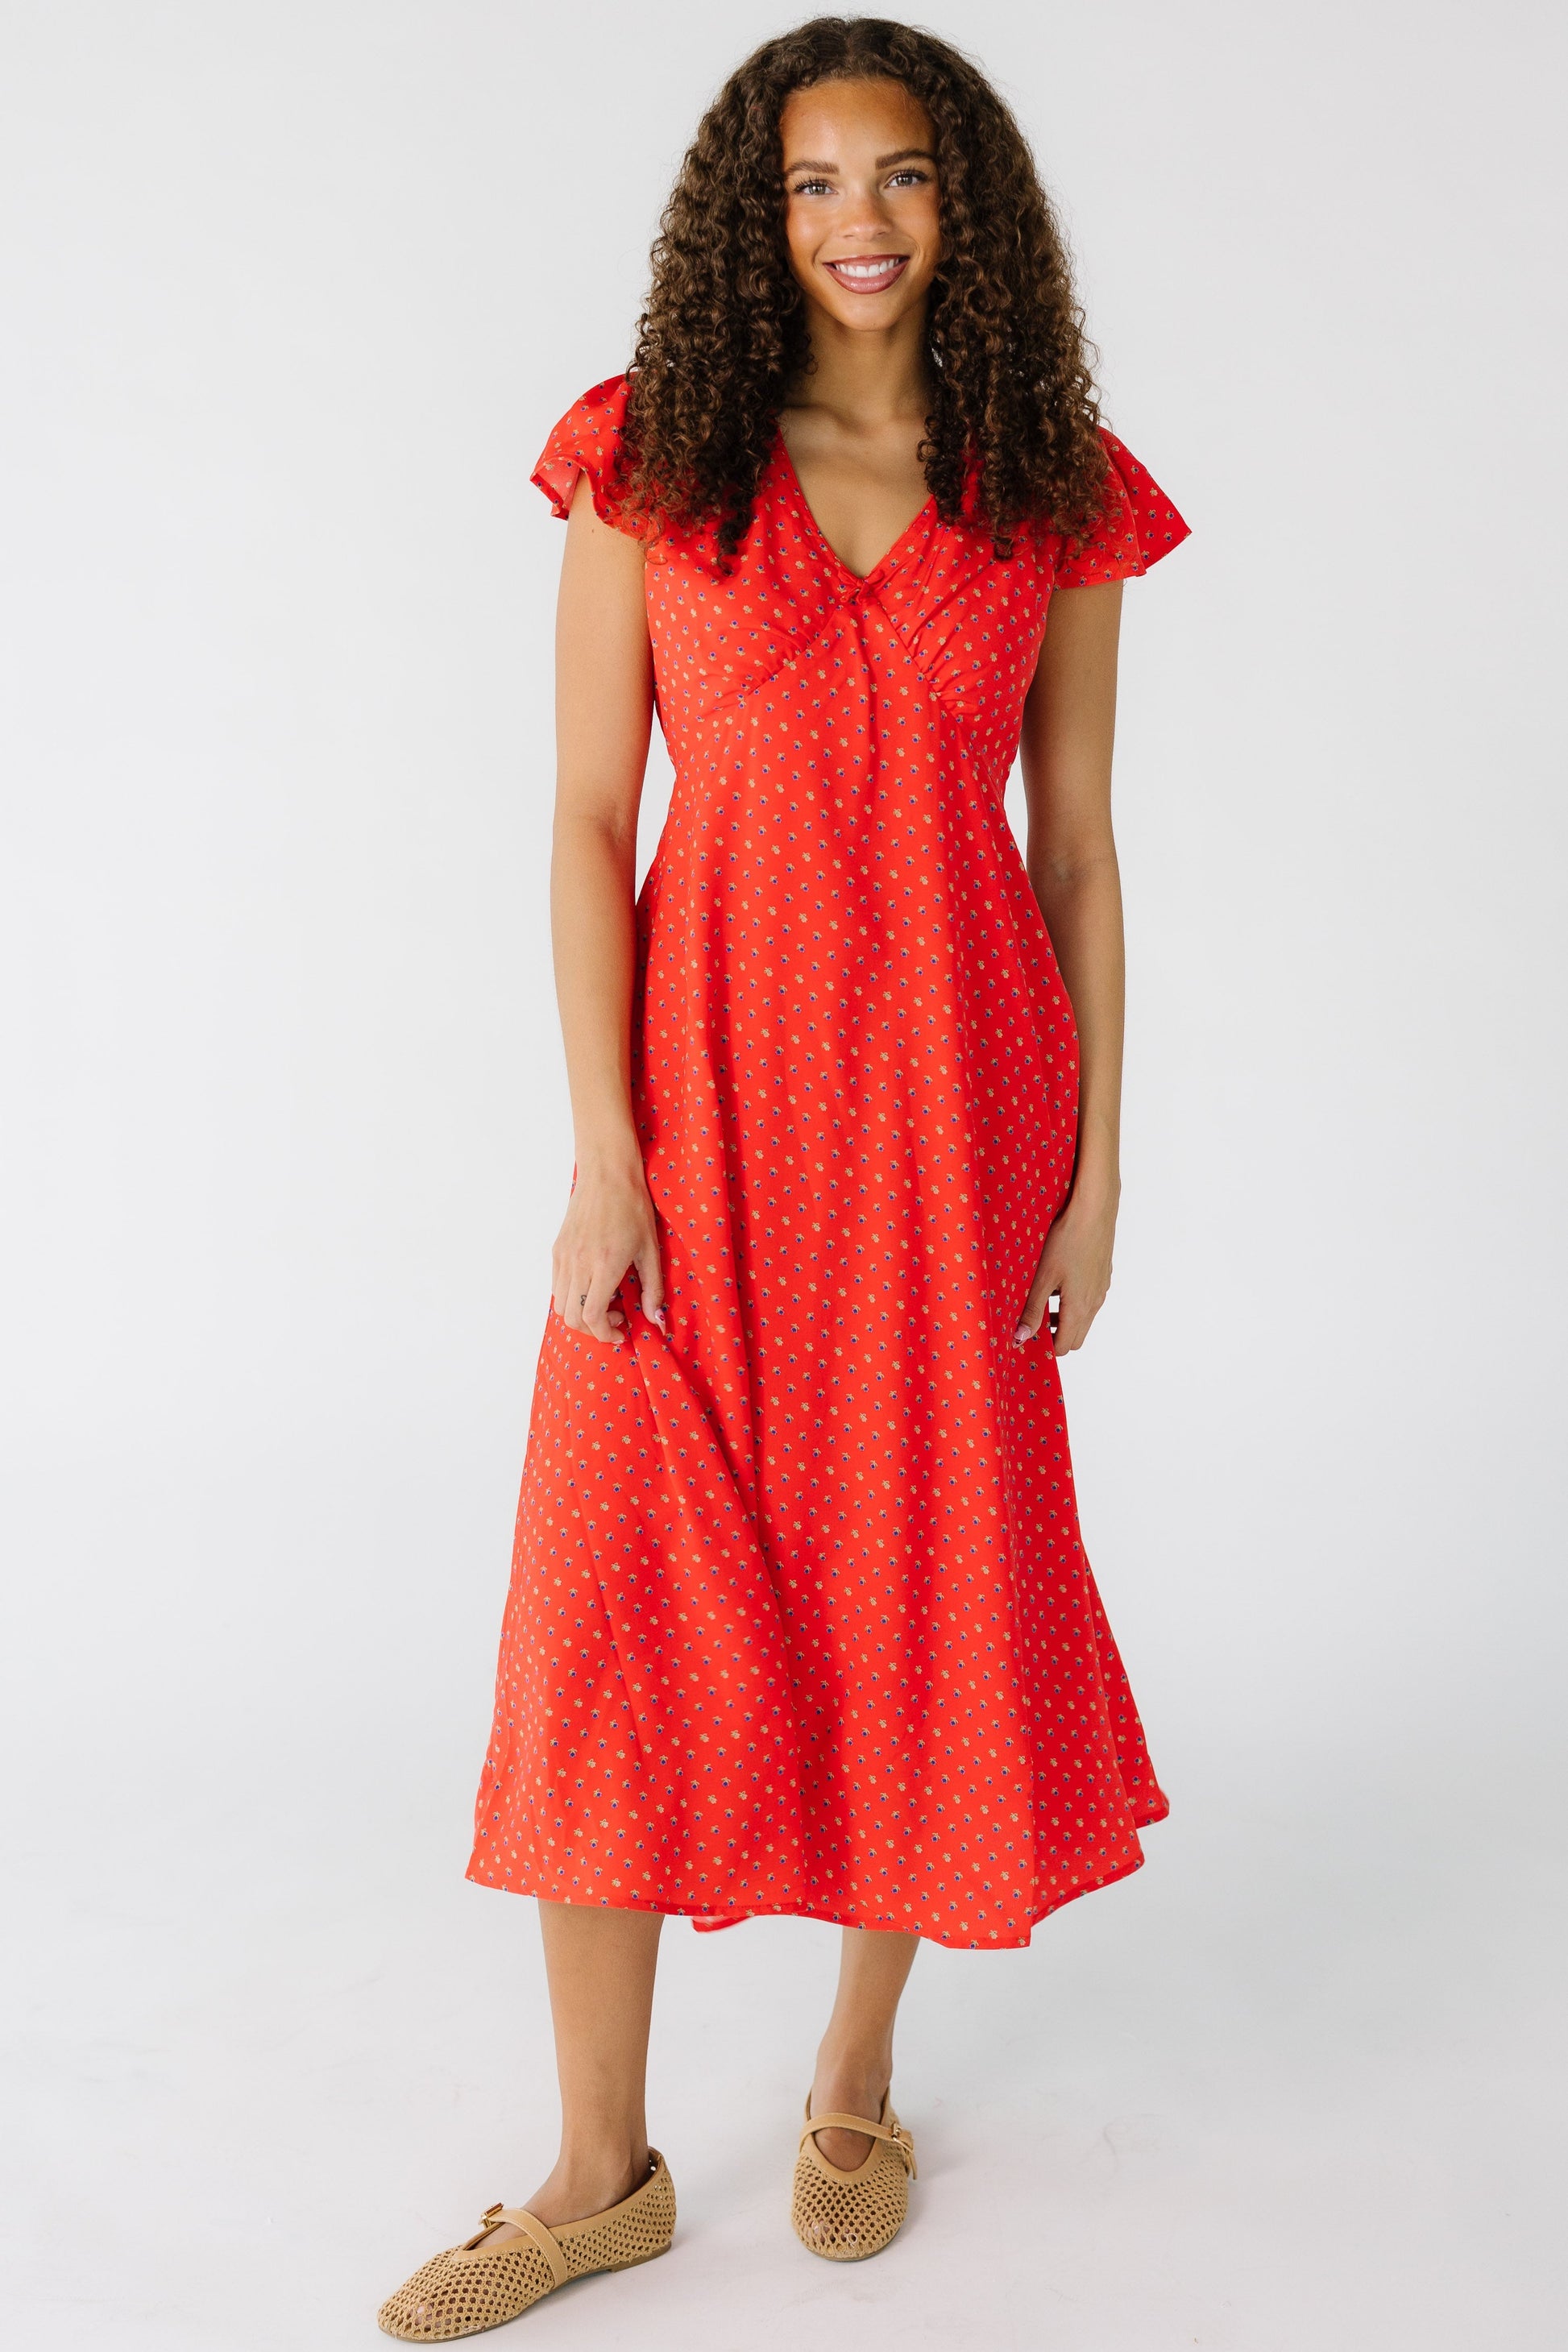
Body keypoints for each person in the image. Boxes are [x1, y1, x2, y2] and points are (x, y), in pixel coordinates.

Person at [379, 15, 1188, 2339]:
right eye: (816, 181)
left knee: (922, 1585)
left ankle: (853, 2073)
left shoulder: (1045, 485)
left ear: (969, 211)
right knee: (609, 1610)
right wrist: (602, 1150)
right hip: (702, 1128)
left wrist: (1097, 1171)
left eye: (905, 177)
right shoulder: (652, 460)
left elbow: (1082, 851)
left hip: (956, 1126)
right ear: (754, 210)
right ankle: (598, 2168)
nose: (860, 220)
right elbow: (575, 819)